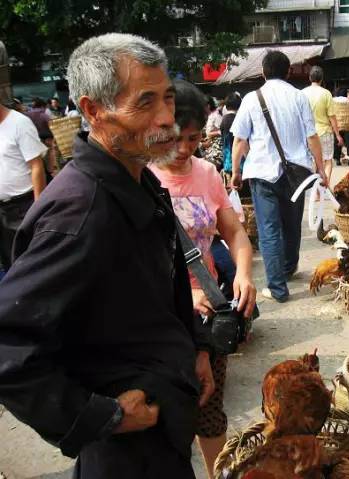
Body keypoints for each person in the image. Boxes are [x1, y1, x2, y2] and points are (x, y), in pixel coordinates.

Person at [0, 33, 256, 478]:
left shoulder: (138, 181)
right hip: (126, 452)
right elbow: (8, 347)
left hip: (165, 423)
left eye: (168, 99)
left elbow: (163, 280)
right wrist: (98, 416)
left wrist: (195, 344)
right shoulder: (81, 210)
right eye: (145, 103)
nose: (166, 119)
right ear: (94, 110)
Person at [149, 79, 256, 479]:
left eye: (193, 139)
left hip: (209, 311)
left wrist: (244, 273)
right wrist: (180, 297)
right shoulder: (140, 175)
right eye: (174, 138)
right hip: (160, 317)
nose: (182, 149)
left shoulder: (207, 173)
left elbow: (235, 234)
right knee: (166, 413)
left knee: (210, 409)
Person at [230, 50, 326, 302]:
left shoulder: (252, 98)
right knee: (292, 223)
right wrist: (322, 169)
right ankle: (288, 268)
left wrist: (236, 171)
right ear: (288, 71)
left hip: (262, 173)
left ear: (263, 72)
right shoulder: (298, 97)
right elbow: (312, 137)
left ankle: (277, 287)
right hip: (297, 174)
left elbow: (240, 139)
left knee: (269, 229)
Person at [0, 101, 47, 272]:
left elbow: (36, 165)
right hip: (2, 210)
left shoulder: (19, 123)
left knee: (28, 263)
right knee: (9, 264)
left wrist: (38, 208)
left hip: (22, 207)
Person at [302, 66, 344, 186]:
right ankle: (324, 188)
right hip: (325, 132)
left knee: (314, 162)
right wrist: (338, 135)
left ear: (310, 77)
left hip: (308, 134)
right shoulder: (326, 94)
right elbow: (332, 117)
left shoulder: (302, 93)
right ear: (321, 79)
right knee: (327, 160)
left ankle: (316, 191)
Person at [25, 97, 57, 179]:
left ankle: (43, 169)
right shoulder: (43, 114)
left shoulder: (27, 114)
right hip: (47, 136)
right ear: (42, 106)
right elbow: (51, 123)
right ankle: (50, 170)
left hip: (35, 137)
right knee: (50, 152)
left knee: (39, 155)